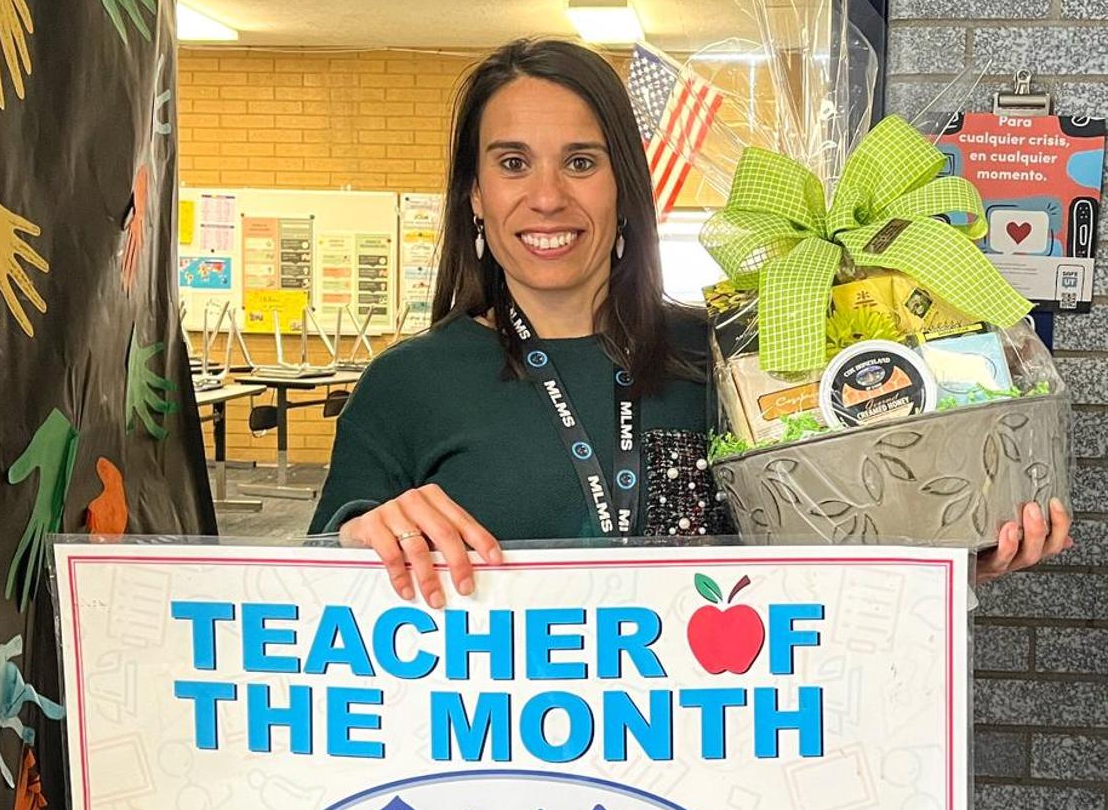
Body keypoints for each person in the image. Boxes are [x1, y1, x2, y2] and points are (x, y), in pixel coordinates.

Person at [308, 38, 1072, 608]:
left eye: (580, 162)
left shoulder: (742, 357)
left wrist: (948, 550)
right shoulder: (404, 385)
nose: (545, 197)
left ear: (625, 188)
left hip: (715, 768)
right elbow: (300, 601)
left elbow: (836, 553)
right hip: (497, 771)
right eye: (512, 164)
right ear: (473, 193)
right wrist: (358, 531)